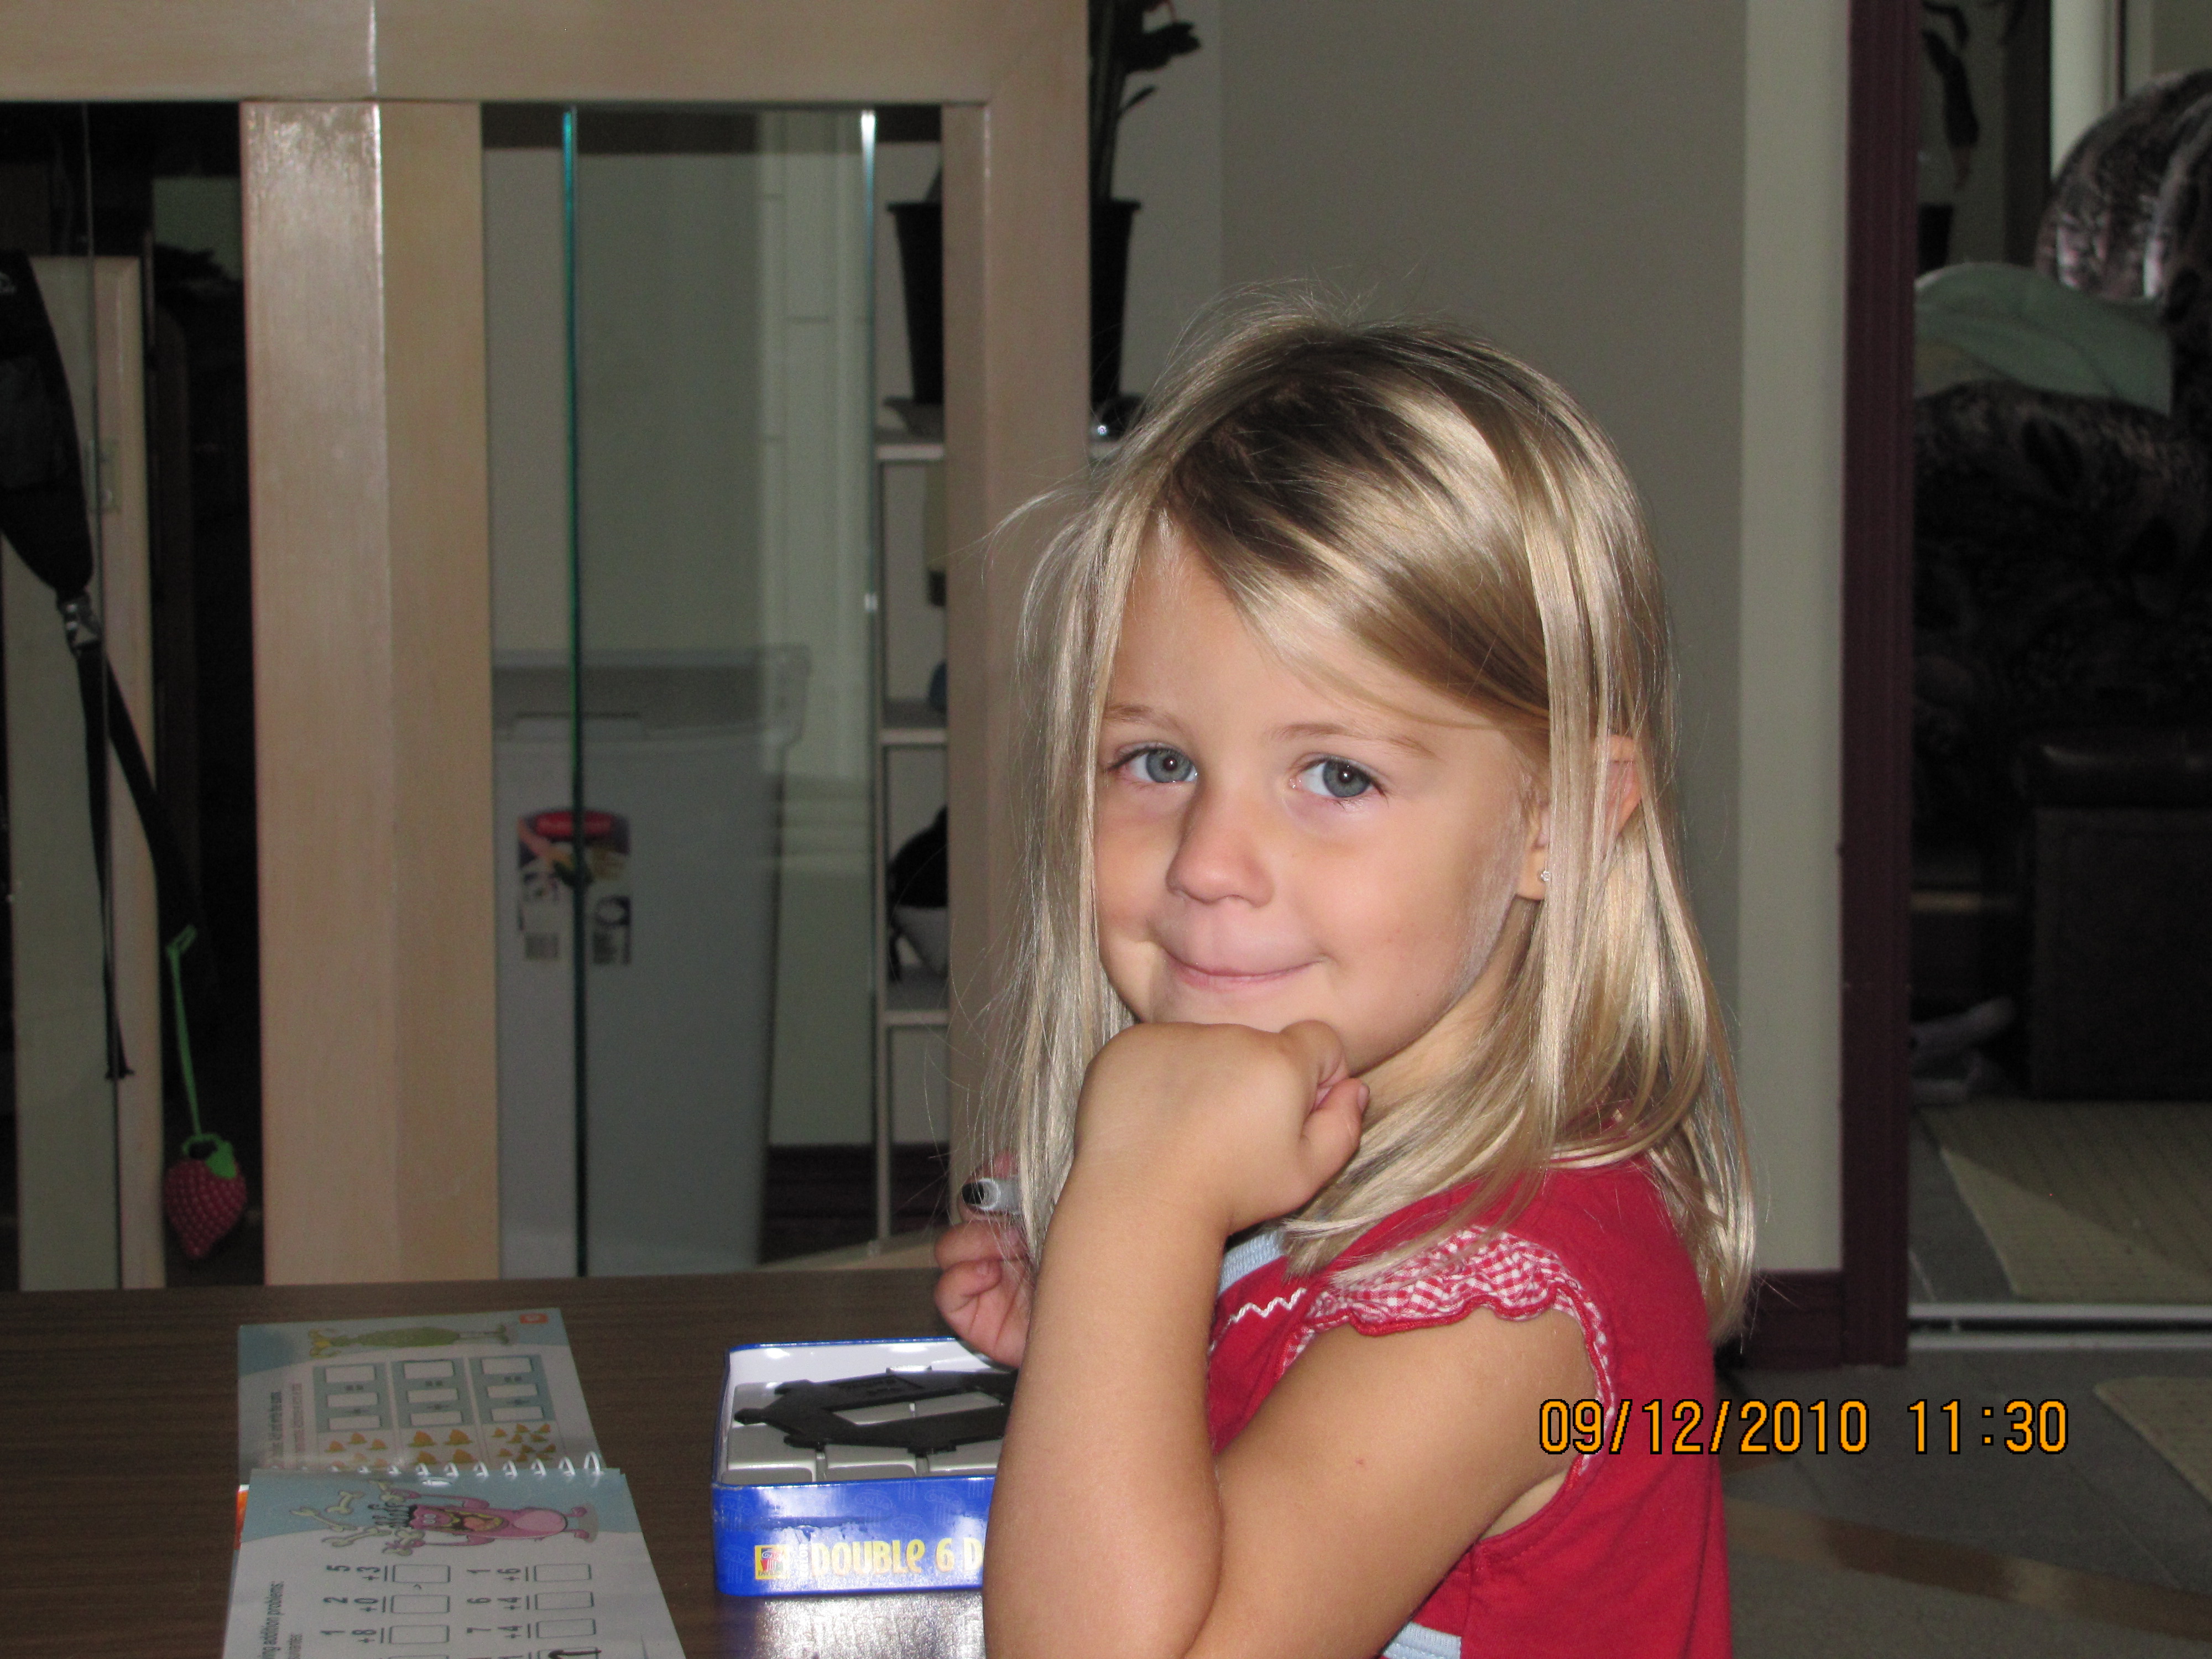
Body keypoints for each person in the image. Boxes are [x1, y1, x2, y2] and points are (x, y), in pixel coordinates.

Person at [932, 301, 1753, 1659]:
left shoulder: (1496, 1311)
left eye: (1335, 775)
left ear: (1555, 819)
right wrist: (1115, 1335)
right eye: (1157, 762)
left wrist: (1135, 1213)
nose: (1208, 862)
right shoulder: (1338, 1146)